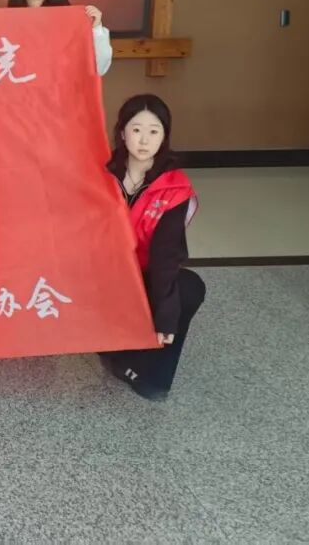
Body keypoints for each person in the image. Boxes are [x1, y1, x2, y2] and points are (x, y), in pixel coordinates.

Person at [99, 94, 205, 401]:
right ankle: (114, 349)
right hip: (102, 276)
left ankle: (151, 371)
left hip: (143, 276)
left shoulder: (174, 187)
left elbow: (165, 255)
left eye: (154, 131)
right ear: (122, 133)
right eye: (136, 130)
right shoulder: (100, 175)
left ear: (164, 136)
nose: (144, 140)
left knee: (189, 288)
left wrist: (165, 314)